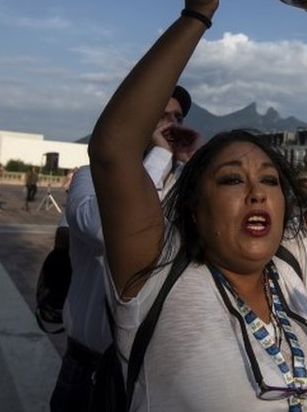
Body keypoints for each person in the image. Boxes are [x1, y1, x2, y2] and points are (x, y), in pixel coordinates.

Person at [87, 0, 307, 410]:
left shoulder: (290, 268)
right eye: (231, 179)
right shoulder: (156, 274)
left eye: (270, 180)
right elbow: (113, 151)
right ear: (195, 209)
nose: (257, 192)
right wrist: (197, 12)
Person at [49, 85, 198, 411]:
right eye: (161, 116)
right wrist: (159, 156)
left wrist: (192, 169)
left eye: (178, 118)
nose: (172, 125)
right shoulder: (90, 177)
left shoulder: (187, 188)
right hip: (88, 368)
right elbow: (107, 229)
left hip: (156, 374)